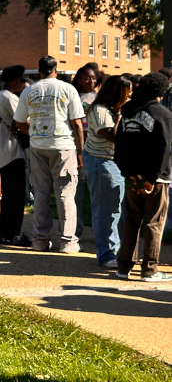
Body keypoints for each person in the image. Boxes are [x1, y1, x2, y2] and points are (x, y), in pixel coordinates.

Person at [13, 56, 84, 254]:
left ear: (39, 71)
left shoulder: (29, 90)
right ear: (56, 70)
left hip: (38, 145)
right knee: (65, 193)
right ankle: (67, 241)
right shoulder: (67, 89)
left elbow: (19, 122)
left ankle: (40, 240)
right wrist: (81, 150)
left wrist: (35, 133)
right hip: (63, 144)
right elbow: (77, 122)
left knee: (41, 193)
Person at [114, 72, 172, 282]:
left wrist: (127, 172)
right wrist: (152, 178)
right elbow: (164, 150)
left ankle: (123, 267)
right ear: (162, 92)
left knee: (131, 221)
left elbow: (120, 144)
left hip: (131, 176)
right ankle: (150, 269)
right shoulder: (162, 114)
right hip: (155, 179)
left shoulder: (127, 111)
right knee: (154, 223)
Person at [82, 75, 132, 268]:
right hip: (101, 162)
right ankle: (106, 254)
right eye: (127, 93)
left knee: (115, 210)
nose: (129, 96)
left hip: (112, 162)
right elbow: (113, 136)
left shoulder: (109, 109)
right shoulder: (100, 110)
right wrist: (120, 114)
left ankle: (114, 250)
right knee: (106, 211)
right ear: (117, 93)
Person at [0, 65, 31, 247]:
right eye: (22, 80)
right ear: (15, 81)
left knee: (9, 195)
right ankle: (11, 234)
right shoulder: (9, 97)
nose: (23, 84)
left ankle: (4, 231)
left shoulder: (1, 95)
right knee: (16, 196)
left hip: (4, 150)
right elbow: (24, 121)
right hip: (12, 151)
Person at [73, 65, 98, 237]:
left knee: (98, 193)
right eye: (88, 78)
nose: (91, 81)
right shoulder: (73, 96)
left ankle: (99, 232)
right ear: (79, 79)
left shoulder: (99, 97)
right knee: (78, 194)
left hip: (97, 146)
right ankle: (76, 230)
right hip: (78, 148)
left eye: (94, 78)